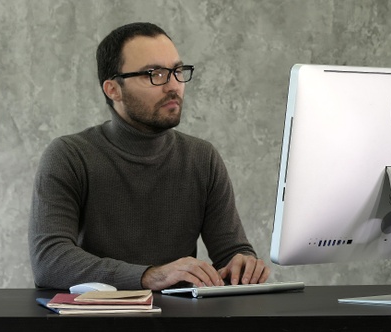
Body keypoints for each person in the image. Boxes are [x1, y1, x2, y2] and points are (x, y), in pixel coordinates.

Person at [28, 22, 270, 291]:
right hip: (96, 319)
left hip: (179, 320)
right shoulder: (69, 156)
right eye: (154, 74)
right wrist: (150, 276)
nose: (173, 86)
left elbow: (231, 253)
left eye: (177, 71)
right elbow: (49, 261)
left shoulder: (202, 158)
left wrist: (244, 265)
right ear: (113, 89)